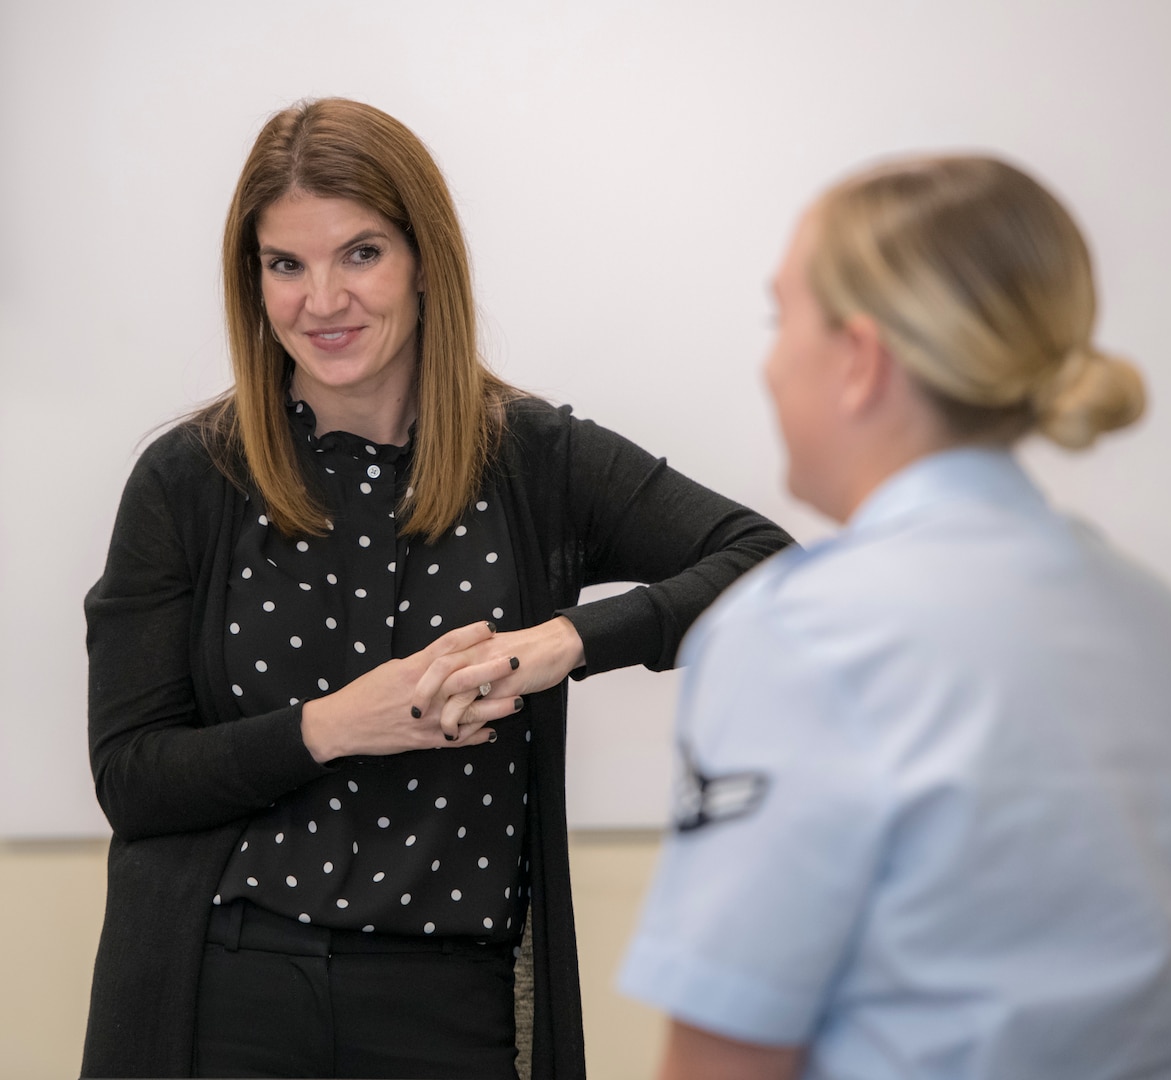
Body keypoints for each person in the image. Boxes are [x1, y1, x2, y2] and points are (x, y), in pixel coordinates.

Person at [82, 97, 792, 1080]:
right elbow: (132, 776)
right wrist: (331, 725)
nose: (320, 300)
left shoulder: (536, 459)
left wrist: (562, 643)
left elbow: (767, 565)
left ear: (425, 260)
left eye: (360, 254)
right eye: (285, 264)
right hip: (224, 988)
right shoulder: (188, 480)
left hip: (448, 1003)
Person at [620, 155, 1171, 1079]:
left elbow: (727, 1056)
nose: (770, 359)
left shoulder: (804, 636)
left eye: (779, 317)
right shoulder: (1154, 619)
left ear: (860, 361)